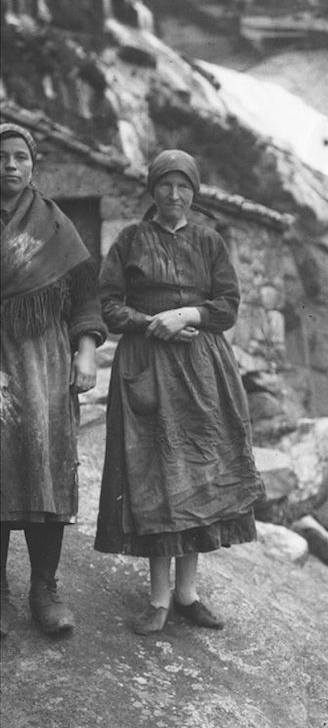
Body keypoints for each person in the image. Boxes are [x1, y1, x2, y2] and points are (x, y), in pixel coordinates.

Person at [94, 149, 265, 635]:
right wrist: (152, 323)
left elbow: (228, 305)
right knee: (154, 475)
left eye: (183, 187)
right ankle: (158, 598)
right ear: (152, 190)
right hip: (146, 367)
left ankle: (188, 594)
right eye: (166, 186)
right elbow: (108, 304)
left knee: (199, 477)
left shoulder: (208, 241)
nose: (174, 196)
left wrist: (188, 315)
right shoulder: (131, 239)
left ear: (194, 192)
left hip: (203, 372)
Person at [0, 122, 107, 638]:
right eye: (2, 157)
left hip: (45, 361)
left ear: (33, 163)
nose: (11, 165)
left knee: (48, 467)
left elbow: (86, 295)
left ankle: (44, 589)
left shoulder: (55, 226)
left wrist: (85, 353)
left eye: (21, 156)